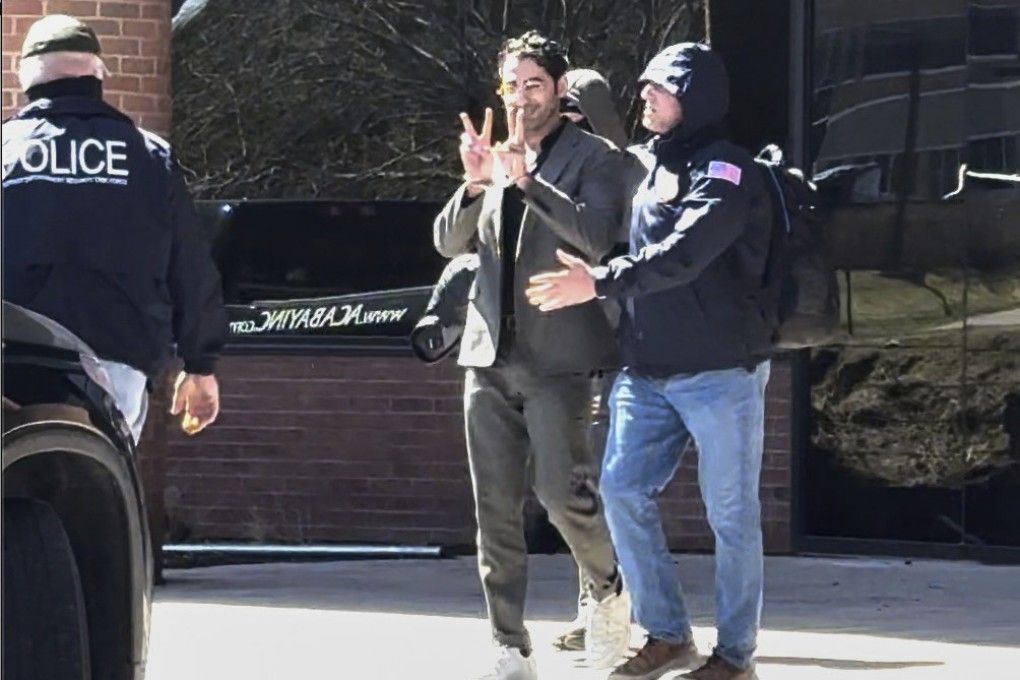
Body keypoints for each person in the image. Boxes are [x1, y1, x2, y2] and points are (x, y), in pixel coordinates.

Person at [526, 42, 775, 680]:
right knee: (622, 490)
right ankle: (669, 636)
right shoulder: (650, 167)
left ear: (693, 98)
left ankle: (735, 657)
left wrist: (600, 282)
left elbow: (685, 253)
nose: (645, 99)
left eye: (658, 89)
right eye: (646, 88)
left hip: (721, 372)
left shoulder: (726, 171)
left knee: (731, 517)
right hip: (646, 370)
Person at [433, 31, 631, 679]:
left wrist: (529, 185)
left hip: (560, 357)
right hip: (488, 355)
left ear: (559, 87)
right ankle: (509, 644)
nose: (520, 99)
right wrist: (473, 184)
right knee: (493, 508)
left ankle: (607, 589)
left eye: (533, 85)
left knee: (560, 493)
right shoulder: (495, 157)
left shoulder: (595, 159)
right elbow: (447, 243)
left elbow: (600, 238)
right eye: (511, 86)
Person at [2, 15, 228, 440]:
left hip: (12, 361)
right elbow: (190, 266)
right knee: (100, 493)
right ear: (98, 73)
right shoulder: (149, 157)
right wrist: (200, 365)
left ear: (25, 76)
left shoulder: (6, 151)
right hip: (116, 362)